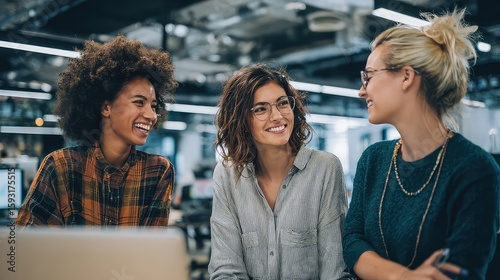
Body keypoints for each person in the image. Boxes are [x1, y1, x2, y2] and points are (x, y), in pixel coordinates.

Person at [342, 8, 500, 280]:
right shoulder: (373, 160)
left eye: (369, 76)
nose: (362, 90)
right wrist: (403, 276)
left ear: (406, 76)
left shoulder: (474, 169)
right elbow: (353, 241)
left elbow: (459, 272)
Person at [16, 35, 177, 227]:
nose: (151, 115)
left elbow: (152, 250)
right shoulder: (62, 167)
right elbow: (27, 247)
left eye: (153, 106)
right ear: (106, 107)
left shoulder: (157, 171)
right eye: (138, 102)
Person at [208, 63, 351, 279]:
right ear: (242, 121)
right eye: (260, 109)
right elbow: (226, 269)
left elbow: (335, 270)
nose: (277, 116)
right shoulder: (227, 175)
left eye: (282, 103)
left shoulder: (325, 169)